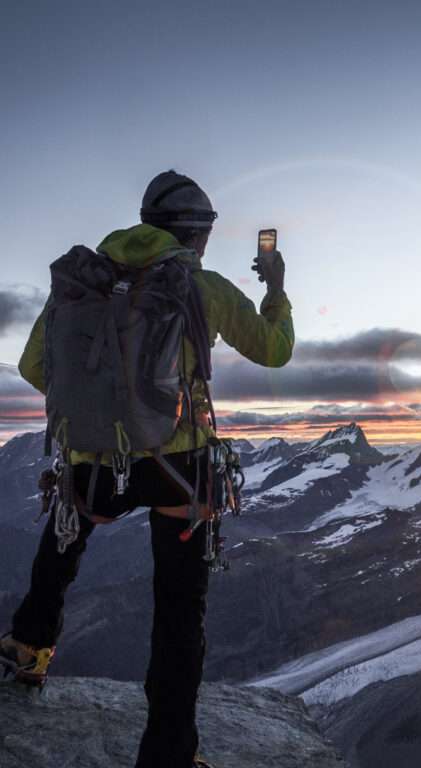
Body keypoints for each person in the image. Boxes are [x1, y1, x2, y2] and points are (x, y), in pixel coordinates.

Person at [0, 171, 294, 768]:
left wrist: (104, 404)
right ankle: (166, 755)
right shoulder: (202, 285)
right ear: (193, 234)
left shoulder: (81, 282)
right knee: (180, 609)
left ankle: (29, 649)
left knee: (63, 544)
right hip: (177, 463)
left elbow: (37, 366)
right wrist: (276, 290)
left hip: (93, 457)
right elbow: (275, 350)